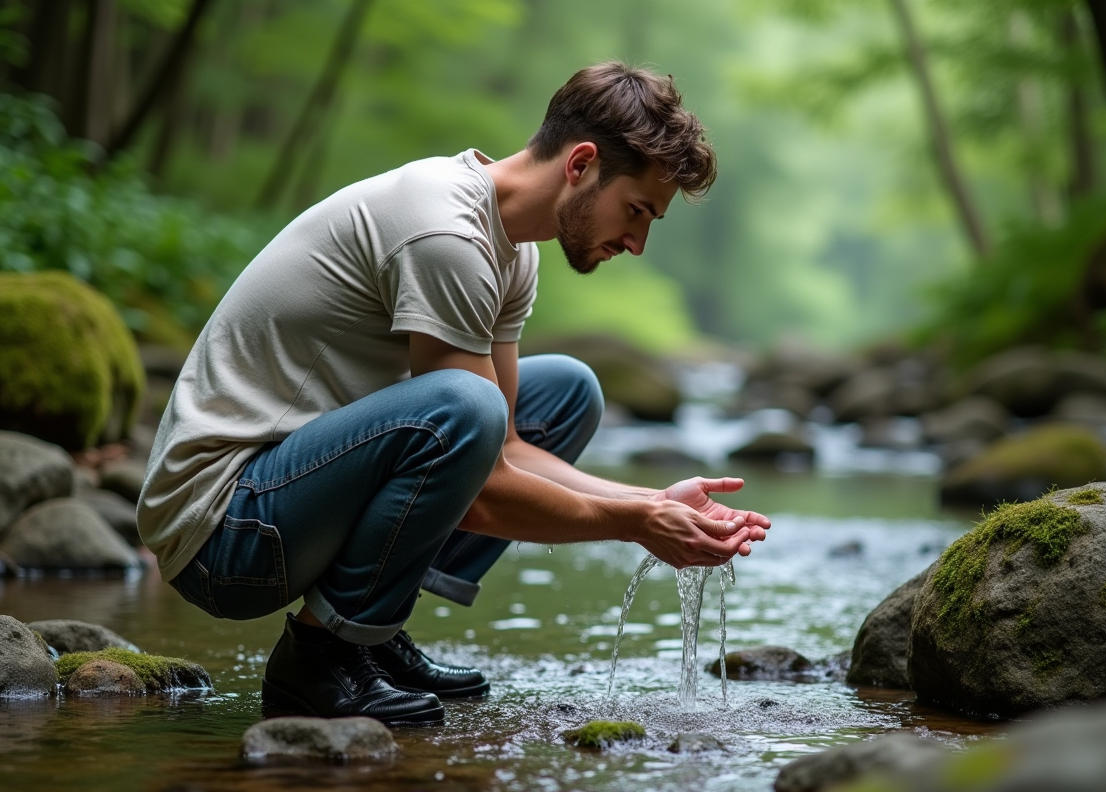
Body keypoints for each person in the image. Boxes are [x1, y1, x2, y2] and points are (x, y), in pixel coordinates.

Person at [137, 61, 770, 727]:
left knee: (566, 394)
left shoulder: (513, 248)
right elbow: (484, 480)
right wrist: (635, 525)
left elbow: (509, 449)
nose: (638, 243)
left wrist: (651, 500)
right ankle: (323, 655)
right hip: (225, 533)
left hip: (287, 496)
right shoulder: (445, 232)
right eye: (637, 210)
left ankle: (370, 631)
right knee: (466, 409)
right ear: (580, 164)